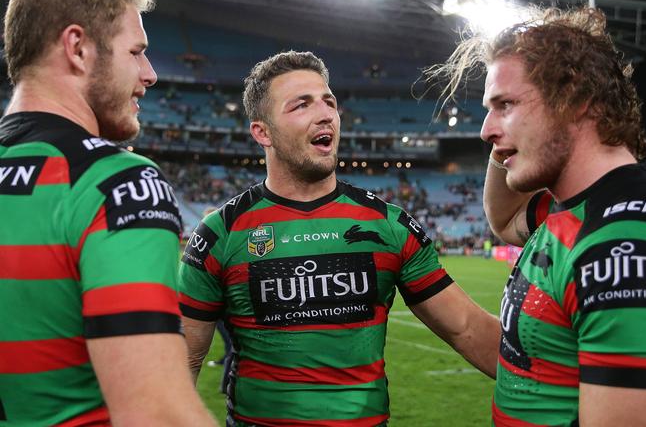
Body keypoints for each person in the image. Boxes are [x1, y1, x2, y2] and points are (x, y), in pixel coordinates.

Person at [178, 50, 500, 426]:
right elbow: (183, 360)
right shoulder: (221, 233)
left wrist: (568, 383)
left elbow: (467, 328)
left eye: (329, 102)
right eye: (301, 105)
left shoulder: (388, 225)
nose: (325, 113)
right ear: (262, 132)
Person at [0, 0, 216, 426]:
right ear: (78, 48)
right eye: (136, 52)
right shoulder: (118, 182)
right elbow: (158, 415)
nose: (150, 74)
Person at [430, 6, 646, 426]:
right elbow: (504, 217)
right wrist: (508, 135)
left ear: (577, 100)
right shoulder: (571, 208)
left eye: (505, 104)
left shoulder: (621, 245)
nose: (485, 131)